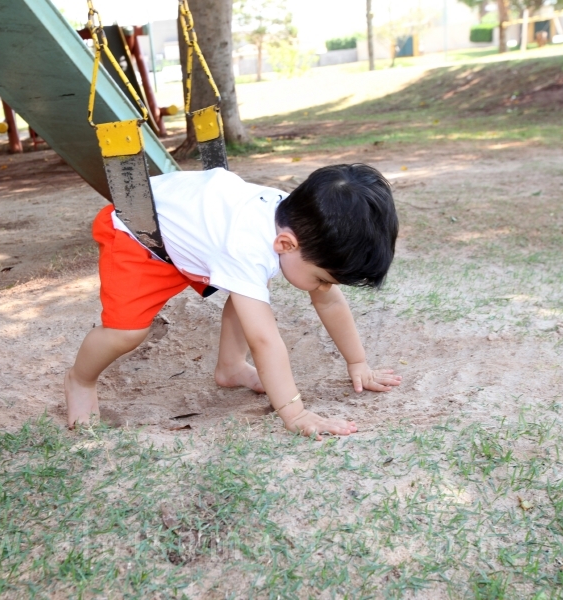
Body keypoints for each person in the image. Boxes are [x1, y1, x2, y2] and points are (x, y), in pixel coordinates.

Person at [64, 164, 402, 439]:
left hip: (190, 236)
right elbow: (264, 340)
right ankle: (80, 380)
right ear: (286, 244)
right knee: (126, 332)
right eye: (322, 279)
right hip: (139, 236)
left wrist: (358, 363)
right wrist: (295, 413)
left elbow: (329, 303)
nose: (324, 288)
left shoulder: (299, 221)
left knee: (250, 293)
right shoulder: (247, 246)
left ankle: (231, 368)